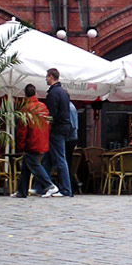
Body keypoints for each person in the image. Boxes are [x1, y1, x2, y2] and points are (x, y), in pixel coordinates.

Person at [12, 84, 57, 198]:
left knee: (34, 165)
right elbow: (47, 124)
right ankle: (21, 191)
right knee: (26, 167)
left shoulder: (26, 109)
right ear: (35, 93)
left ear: (25, 94)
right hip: (41, 139)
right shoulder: (42, 107)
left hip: (31, 141)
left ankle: (49, 185)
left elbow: (22, 131)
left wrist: (20, 146)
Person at [44, 68, 73, 197]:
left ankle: (66, 189)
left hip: (57, 129)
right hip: (64, 127)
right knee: (47, 159)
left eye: (47, 77)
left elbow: (52, 113)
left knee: (60, 159)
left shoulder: (53, 93)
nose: (46, 79)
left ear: (51, 77)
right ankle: (42, 186)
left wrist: (47, 122)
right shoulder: (62, 92)